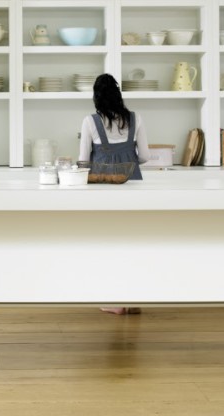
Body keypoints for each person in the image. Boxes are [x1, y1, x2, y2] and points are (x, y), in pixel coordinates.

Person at [78, 73, 151, 315]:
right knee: (134, 241)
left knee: (108, 242)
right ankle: (134, 299)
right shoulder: (135, 118)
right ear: (118, 95)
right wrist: (127, 157)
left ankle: (116, 301)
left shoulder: (90, 122)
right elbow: (145, 156)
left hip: (103, 188)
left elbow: (83, 161)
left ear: (96, 97)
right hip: (133, 185)